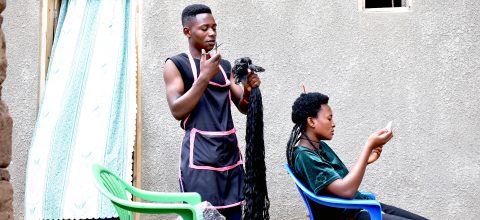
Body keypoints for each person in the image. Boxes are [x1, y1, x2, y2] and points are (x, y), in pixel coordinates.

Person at [163, 4, 261, 220]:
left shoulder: (223, 66)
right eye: (204, 28)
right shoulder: (175, 64)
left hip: (228, 156)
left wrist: (249, 89)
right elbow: (177, 109)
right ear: (187, 32)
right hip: (199, 160)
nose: (212, 33)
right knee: (202, 216)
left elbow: (243, 106)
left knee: (235, 214)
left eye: (214, 27)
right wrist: (204, 77)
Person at [286, 92, 428, 220]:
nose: (333, 124)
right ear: (311, 121)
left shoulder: (316, 146)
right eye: (329, 119)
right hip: (350, 214)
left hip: (359, 206)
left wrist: (366, 160)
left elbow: (337, 181)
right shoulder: (305, 156)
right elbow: (346, 191)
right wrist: (368, 146)